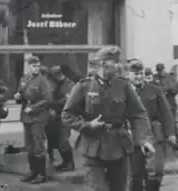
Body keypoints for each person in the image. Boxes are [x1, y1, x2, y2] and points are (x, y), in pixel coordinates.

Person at [61, 47, 155, 191]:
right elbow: (67, 115)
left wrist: (144, 140)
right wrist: (86, 125)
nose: (119, 66)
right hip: (92, 146)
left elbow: (138, 114)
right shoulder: (84, 86)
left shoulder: (124, 85)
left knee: (119, 188)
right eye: (115, 62)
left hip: (119, 146)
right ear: (103, 64)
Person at [127, 59, 176, 191]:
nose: (139, 77)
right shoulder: (123, 90)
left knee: (156, 171)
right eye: (135, 74)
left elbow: (166, 113)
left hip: (154, 133)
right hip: (131, 136)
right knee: (134, 174)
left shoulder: (154, 89)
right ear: (128, 75)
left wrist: (170, 133)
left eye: (141, 73)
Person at [14, 56, 53, 184]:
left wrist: (34, 108)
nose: (36, 68)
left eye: (37, 66)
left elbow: (48, 100)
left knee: (39, 145)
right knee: (30, 146)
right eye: (33, 66)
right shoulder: (24, 79)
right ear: (29, 66)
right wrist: (17, 97)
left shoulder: (43, 81)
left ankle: (42, 174)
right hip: (27, 117)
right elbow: (21, 97)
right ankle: (33, 171)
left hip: (38, 117)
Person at [46, 65, 76, 171]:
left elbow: (66, 101)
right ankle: (65, 161)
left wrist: (52, 104)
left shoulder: (69, 85)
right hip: (55, 116)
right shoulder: (54, 84)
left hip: (66, 115)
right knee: (56, 140)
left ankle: (70, 163)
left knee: (63, 140)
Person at [153, 63, 178, 147]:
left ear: (164, 69)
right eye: (159, 71)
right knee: (162, 124)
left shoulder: (170, 77)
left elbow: (177, 88)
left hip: (170, 103)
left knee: (172, 122)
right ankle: (164, 142)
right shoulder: (155, 78)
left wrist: (168, 90)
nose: (161, 72)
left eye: (162, 70)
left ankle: (176, 143)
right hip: (159, 106)